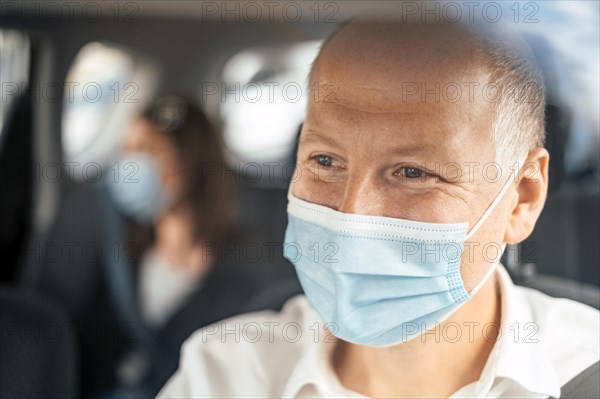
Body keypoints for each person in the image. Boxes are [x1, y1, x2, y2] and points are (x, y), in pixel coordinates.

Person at [158, 20, 600, 399]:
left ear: (522, 198)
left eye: (412, 172)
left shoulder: (586, 370)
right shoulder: (223, 375)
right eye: (325, 161)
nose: (353, 216)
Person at [104, 95, 273, 394]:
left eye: (146, 150)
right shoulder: (124, 246)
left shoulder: (242, 261)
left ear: (187, 162)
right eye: (126, 150)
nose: (129, 165)